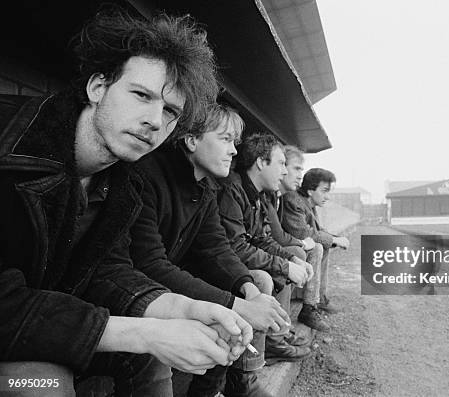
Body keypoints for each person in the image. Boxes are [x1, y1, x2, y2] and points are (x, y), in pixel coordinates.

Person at [0, 8, 250, 396]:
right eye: (141, 95)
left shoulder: (122, 183)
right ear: (98, 86)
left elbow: (107, 270)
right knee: (42, 383)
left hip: (39, 325)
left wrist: (182, 309)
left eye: (170, 111)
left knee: (149, 356)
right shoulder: (9, 147)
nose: (154, 120)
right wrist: (145, 333)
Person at [131, 105, 290, 396]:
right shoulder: (148, 175)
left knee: (239, 296)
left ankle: (211, 391)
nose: (233, 151)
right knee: (223, 311)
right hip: (133, 290)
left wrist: (248, 290)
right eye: (225, 139)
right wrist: (235, 305)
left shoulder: (204, 187)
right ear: (191, 141)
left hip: (165, 282)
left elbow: (216, 246)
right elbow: (148, 264)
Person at [217, 133, 314, 365]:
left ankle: (276, 335)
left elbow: (262, 239)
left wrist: (292, 259)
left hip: (231, 261)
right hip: (213, 267)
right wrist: (284, 265)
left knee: (283, 266)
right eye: (281, 163)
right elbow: (236, 246)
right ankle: (251, 368)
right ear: (261, 162)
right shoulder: (233, 190)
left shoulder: (257, 196)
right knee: (262, 279)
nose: (284, 171)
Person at [272, 146, 330, 332]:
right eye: (296, 168)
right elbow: (289, 235)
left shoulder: (279, 196)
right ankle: (298, 315)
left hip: (272, 246)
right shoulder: (288, 198)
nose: (300, 176)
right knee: (311, 248)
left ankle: (315, 302)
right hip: (265, 250)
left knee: (318, 246)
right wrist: (302, 243)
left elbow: (313, 231)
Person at [281, 168, 351, 319]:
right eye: (324, 191)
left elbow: (318, 230)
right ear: (311, 190)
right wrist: (334, 240)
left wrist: (335, 239)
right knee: (318, 246)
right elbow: (303, 233)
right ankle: (309, 307)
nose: (327, 196)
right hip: (283, 248)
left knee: (323, 244)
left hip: (298, 247)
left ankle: (319, 299)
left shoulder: (309, 204)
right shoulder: (293, 200)